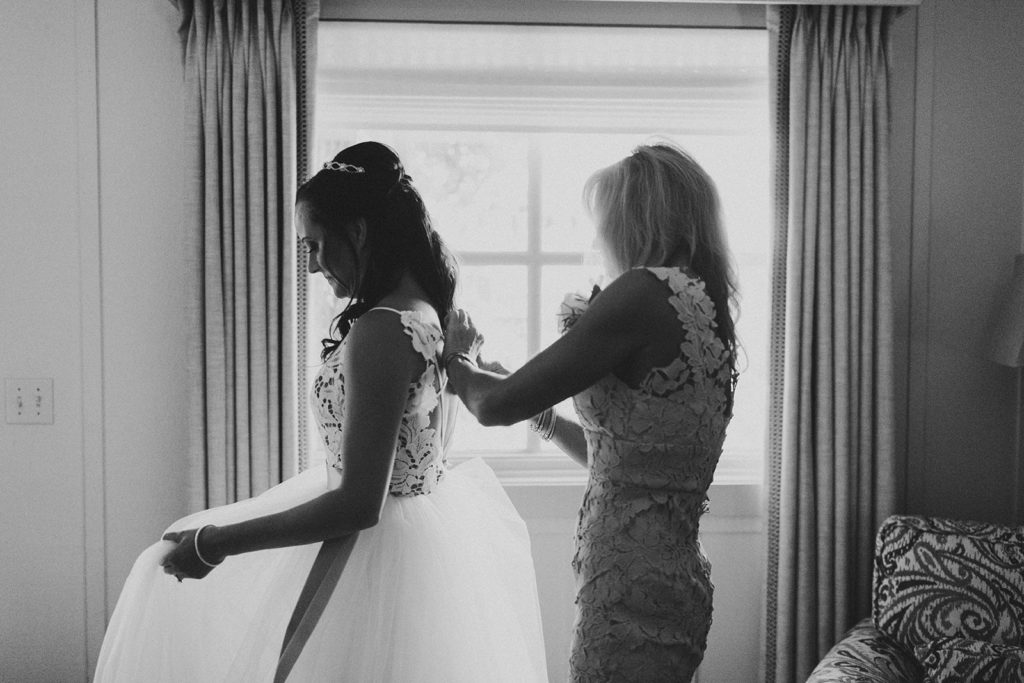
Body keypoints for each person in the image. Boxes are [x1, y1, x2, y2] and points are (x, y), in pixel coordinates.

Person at [94, 142, 548, 683]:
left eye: (315, 244)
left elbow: (358, 503)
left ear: (357, 231)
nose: (310, 265)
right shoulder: (430, 309)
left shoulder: (383, 326)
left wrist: (215, 543)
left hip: (373, 558)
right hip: (419, 544)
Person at [442, 142, 738, 682]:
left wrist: (457, 358)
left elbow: (493, 406)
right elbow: (630, 460)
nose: (599, 239)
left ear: (638, 219)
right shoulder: (706, 305)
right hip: (674, 577)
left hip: (625, 582)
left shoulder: (642, 293)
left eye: (605, 221)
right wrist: (548, 419)